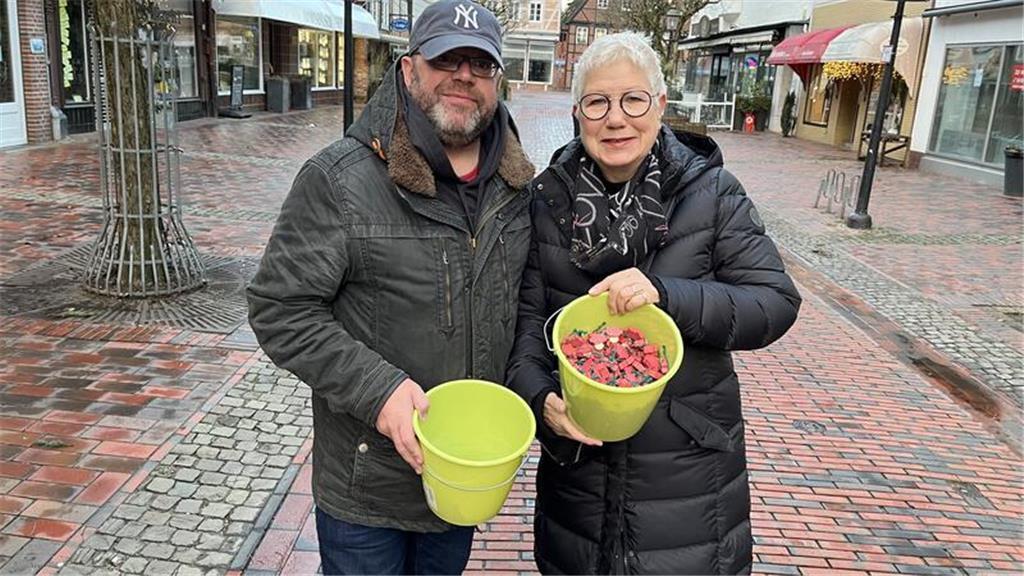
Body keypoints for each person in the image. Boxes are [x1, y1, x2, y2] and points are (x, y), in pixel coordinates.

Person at [247, 1, 535, 574]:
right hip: (366, 489)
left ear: (497, 81)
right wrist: (378, 391)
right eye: (446, 58)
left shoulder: (518, 187)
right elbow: (280, 308)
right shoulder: (338, 179)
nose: (464, 76)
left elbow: (527, 306)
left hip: (461, 479)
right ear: (409, 69)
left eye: (480, 65)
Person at [506, 33, 801, 575]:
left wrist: (667, 295)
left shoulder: (712, 195)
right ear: (578, 114)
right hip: (578, 477)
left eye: (633, 100)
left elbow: (774, 303)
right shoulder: (547, 201)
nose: (616, 119)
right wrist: (540, 397)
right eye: (598, 102)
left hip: (689, 477)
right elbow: (527, 324)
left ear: (660, 106)